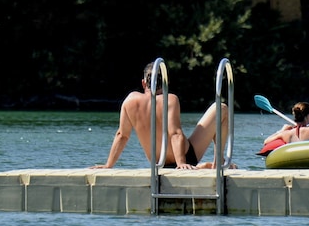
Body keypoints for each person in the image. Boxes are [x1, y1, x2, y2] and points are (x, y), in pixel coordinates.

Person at [91, 62, 230, 170]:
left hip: (158, 162)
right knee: (221, 108)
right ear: (166, 82)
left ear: (144, 83)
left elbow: (122, 135)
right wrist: (181, 163)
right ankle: (218, 162)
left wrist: (108, 165)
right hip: (185, 157)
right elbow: (175, 133)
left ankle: (209, 165)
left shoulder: (130, 101)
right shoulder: (169, 99)